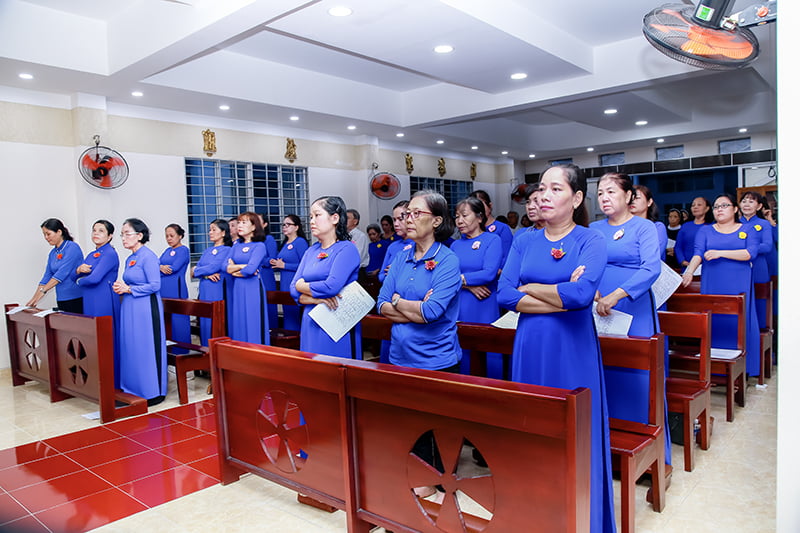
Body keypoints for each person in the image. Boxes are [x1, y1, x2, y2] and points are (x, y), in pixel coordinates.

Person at [497, 164, 615, 533]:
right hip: (530, 344)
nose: (544, 196)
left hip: (572, 348)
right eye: (542, 188)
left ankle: (583, 521)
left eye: (556, 189)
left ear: (577, 198)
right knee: (530, 430)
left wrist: (530, 287)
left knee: (576, 433)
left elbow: (581, 296)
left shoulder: (591, 240)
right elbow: (504, 295)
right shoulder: (524, 240)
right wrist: (560, 295)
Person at [591, 173, 668, 467]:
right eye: (600, 193)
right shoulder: (593, 229)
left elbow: (651, 269)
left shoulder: (644, 227)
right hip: (598, 308)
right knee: (604, 370)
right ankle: (605, 450)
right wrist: (591, 287)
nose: (604, 198)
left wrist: (617, 295)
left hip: (633, 308)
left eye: (611, 192)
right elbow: (584, 264)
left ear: (628, 196)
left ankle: (645, 451)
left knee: (637, 374)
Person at [377, 190, 462, 372]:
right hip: (398, 357)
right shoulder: (401, 257)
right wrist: (418, 310)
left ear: (436, 221)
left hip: (436, 361)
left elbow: (430, 312)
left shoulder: (448, 260)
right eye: (408, 214)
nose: (408, 219)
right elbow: (381, 304)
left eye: (417, 213)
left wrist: (397, 301)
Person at [681, 193, 760, 377]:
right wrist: (689, 272)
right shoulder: (705, 231)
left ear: (735, 209)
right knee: (715, 321)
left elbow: (750, 253)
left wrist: (720, 253)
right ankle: (716, 371)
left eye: (724, 206)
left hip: (738, 282)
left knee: (739, 321)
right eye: (716, 207)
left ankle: (744, 368)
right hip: (713, 281)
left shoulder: (748, 229)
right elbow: (698, 253)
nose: (719, 210)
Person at [290, 196, 361, 358]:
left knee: (333, 366)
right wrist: (315, 299)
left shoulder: (346, 249)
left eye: (317, 215)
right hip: (310, 318)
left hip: (335, 320)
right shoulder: (311, 251)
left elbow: (331, 286)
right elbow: (292, 289)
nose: (312, 221)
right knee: (311, 366)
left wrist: (302, 286)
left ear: (335, 218)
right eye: (310, 217)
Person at [112, 218, 167, 406]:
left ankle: (152, 391)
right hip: (130, 306)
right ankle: (132, 388)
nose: (123, 238)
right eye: (122, 235)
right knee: (131, 345)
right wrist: (122, 288)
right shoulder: (130, 258)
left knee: (145, 346)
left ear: (140, 235)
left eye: (127, 234)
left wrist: (129, 289)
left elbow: (155, 285)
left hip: (145, 308)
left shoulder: (148, 257)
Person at [451, 196, 502, 375]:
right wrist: (468, 285)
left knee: (490, 350)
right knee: (463, 349)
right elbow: (445, 277)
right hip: (461, 303)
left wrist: (460, 279)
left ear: (479, 217)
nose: (459, 221)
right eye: (457, 216)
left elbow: (489, 273)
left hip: (484, 302)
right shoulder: (455, 245)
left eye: (464, 215)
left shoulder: (492, 240)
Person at [227, 212, 270, 344]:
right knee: (239, 320)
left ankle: (257, 352)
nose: (239, 225)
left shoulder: (259, 246)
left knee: (253, 321)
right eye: (239, 222)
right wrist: (242, 266)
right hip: (238, 287)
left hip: (253, 287)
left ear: (254, 227)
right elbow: (225, 267)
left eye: (244, 222)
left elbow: (251, 269)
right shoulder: (236, 246)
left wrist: (235, 269)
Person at [27, 218, 84, 313]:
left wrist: (43, 291)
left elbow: (61, 274)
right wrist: (33, 300)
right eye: (44, 234)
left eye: (48, 234)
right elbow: (47, 276)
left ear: (59, 232)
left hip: (75, 297)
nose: (46, 237)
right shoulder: (53, 253)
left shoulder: (72, 247)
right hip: (61, 298)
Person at [191, 219, 232, 345]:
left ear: (223, 233)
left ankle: (217, 350)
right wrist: (206, 275)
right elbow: (193, 271)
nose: (210, 232)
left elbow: (213, 267)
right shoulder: (207, 251)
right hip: (205, 287)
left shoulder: (227, 250)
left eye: (214, 229)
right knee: (204, 319)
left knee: (216, 320)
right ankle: (205, 349)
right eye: (210, 230)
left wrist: (199, 271)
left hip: (217, 288)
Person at [739, 191, 774, 330]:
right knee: (740, 300)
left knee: (760, 301)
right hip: (739, 266)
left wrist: (747, 249)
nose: (746, 204)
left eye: (751, 201)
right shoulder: (734, 223)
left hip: (759, 268)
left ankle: (759, 332)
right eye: (744, 201)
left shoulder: (764, 224)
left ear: (759, 206)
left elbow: (767, 246)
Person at [72, 219, 119, 318]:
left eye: (101, 231)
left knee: (103, 325)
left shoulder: (109, 253)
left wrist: (79, 281)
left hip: (103, 297)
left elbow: (94, 278)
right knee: (91, 326)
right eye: (94, 230)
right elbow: (72, 277)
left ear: (109, 236)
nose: (96, 233)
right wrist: (78, 270)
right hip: (89, 297)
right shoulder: (91, 255)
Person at [270, 214, 309, 331]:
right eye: (283, 225)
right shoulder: (285, 243)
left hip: (295, 282)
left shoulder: (300, 242)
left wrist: (285, 265)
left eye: (288, 224)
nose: (284, 227)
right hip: (284, 282)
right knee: (286, 311)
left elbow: (305, 266)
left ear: (296, 227)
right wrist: (276, 263)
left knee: (294, 312)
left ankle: (298, 336)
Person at [159, 224, 191, 350]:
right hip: (163, 289)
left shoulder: (183, 250)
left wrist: (160, 268)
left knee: (178, 320)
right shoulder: (167, 251)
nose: (169, 238)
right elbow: (155, 265)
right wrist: (160, 267)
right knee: (166, 319)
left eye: (172, 236)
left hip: (176, 288)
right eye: (167, 236)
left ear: (180, 236)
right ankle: (168, 350)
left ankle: (181, 349)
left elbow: (174, 268)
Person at [469, 190, 513, 267]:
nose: (478, 210)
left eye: (481, 205)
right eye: (474, 207)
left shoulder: (502, 228)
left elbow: (507, 257)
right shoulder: (469, 230)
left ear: (490, 205)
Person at [631, 184, 668, 261]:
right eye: (630, 198)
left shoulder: (657, 227)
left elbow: (653, 256)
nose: (633, 201)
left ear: (649, 202)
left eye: (637, 198)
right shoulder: (622, 228)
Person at [378, 200, 412, 283]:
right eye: (394, 220)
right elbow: (381, 276)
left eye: (400, 219)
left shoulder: (420, 245)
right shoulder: (392, 246)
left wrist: (396, 272)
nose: (396, 224)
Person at [675, 197, 713, 270]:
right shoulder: (685, 226)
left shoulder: (711, 227)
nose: (695, 207)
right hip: (686, 267)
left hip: (706, 267)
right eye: (693, 205)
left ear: (707, 208)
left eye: (699, 205)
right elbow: (678, 247)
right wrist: (682, 261)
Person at [259, 213, 280, 328]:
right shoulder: (252, 240)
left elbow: (272, 260)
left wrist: (256, 260)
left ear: (265, 224)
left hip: (266, 275)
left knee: (269, 306)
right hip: (256, 276)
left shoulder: (268, 239)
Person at [346, 209, 370, 277]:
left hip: (358, 272)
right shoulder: (343, 236)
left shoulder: (360, 236)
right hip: (347, 271)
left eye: (347, 218)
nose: (344, 220)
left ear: (355, 221)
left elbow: (358, 256)